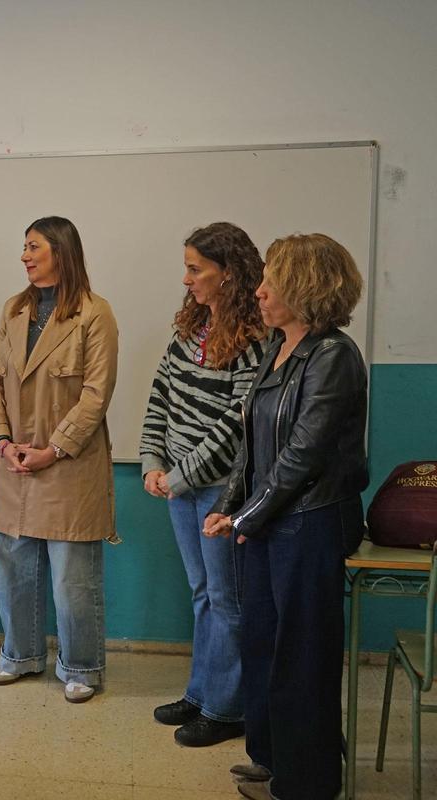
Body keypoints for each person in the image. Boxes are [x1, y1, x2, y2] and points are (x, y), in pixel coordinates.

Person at [203, 234, 367, 800]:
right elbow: (252, 444)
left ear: (306, 287)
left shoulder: (333, 356)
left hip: (311, 524)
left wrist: (247, 516)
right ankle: (273, 759)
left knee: (303, 657)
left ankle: (307, 782)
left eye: (273, 278)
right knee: (264, 645)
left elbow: (303, 454)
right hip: (270, 521)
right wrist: (231, 508)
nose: (260, 288)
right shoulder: (277, 346)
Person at [139, 222, 267, 747]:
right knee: (201, 594)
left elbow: (235, 426)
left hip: (217, 490)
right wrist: (151, 458)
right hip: (178, 485)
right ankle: (201, 692)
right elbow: (161, 395)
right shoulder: (191, 329)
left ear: (228, 275)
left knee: (225, 598)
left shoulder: (255, 340)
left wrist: (180, 474)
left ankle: (227, 707)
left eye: (196, 269)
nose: (187, 278)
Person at [0, 216, 119, 703]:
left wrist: (52, 448)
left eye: (34, 247)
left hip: (68, 463)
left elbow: (96, 394)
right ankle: (19, 655)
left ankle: (81, 666)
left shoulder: (94, 314)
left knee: (71, 578)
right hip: (14, 460)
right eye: (23, 247)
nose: (25, 256)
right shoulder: (13, 309)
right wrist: (2, 439)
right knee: (10, 568)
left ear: (61, 252)